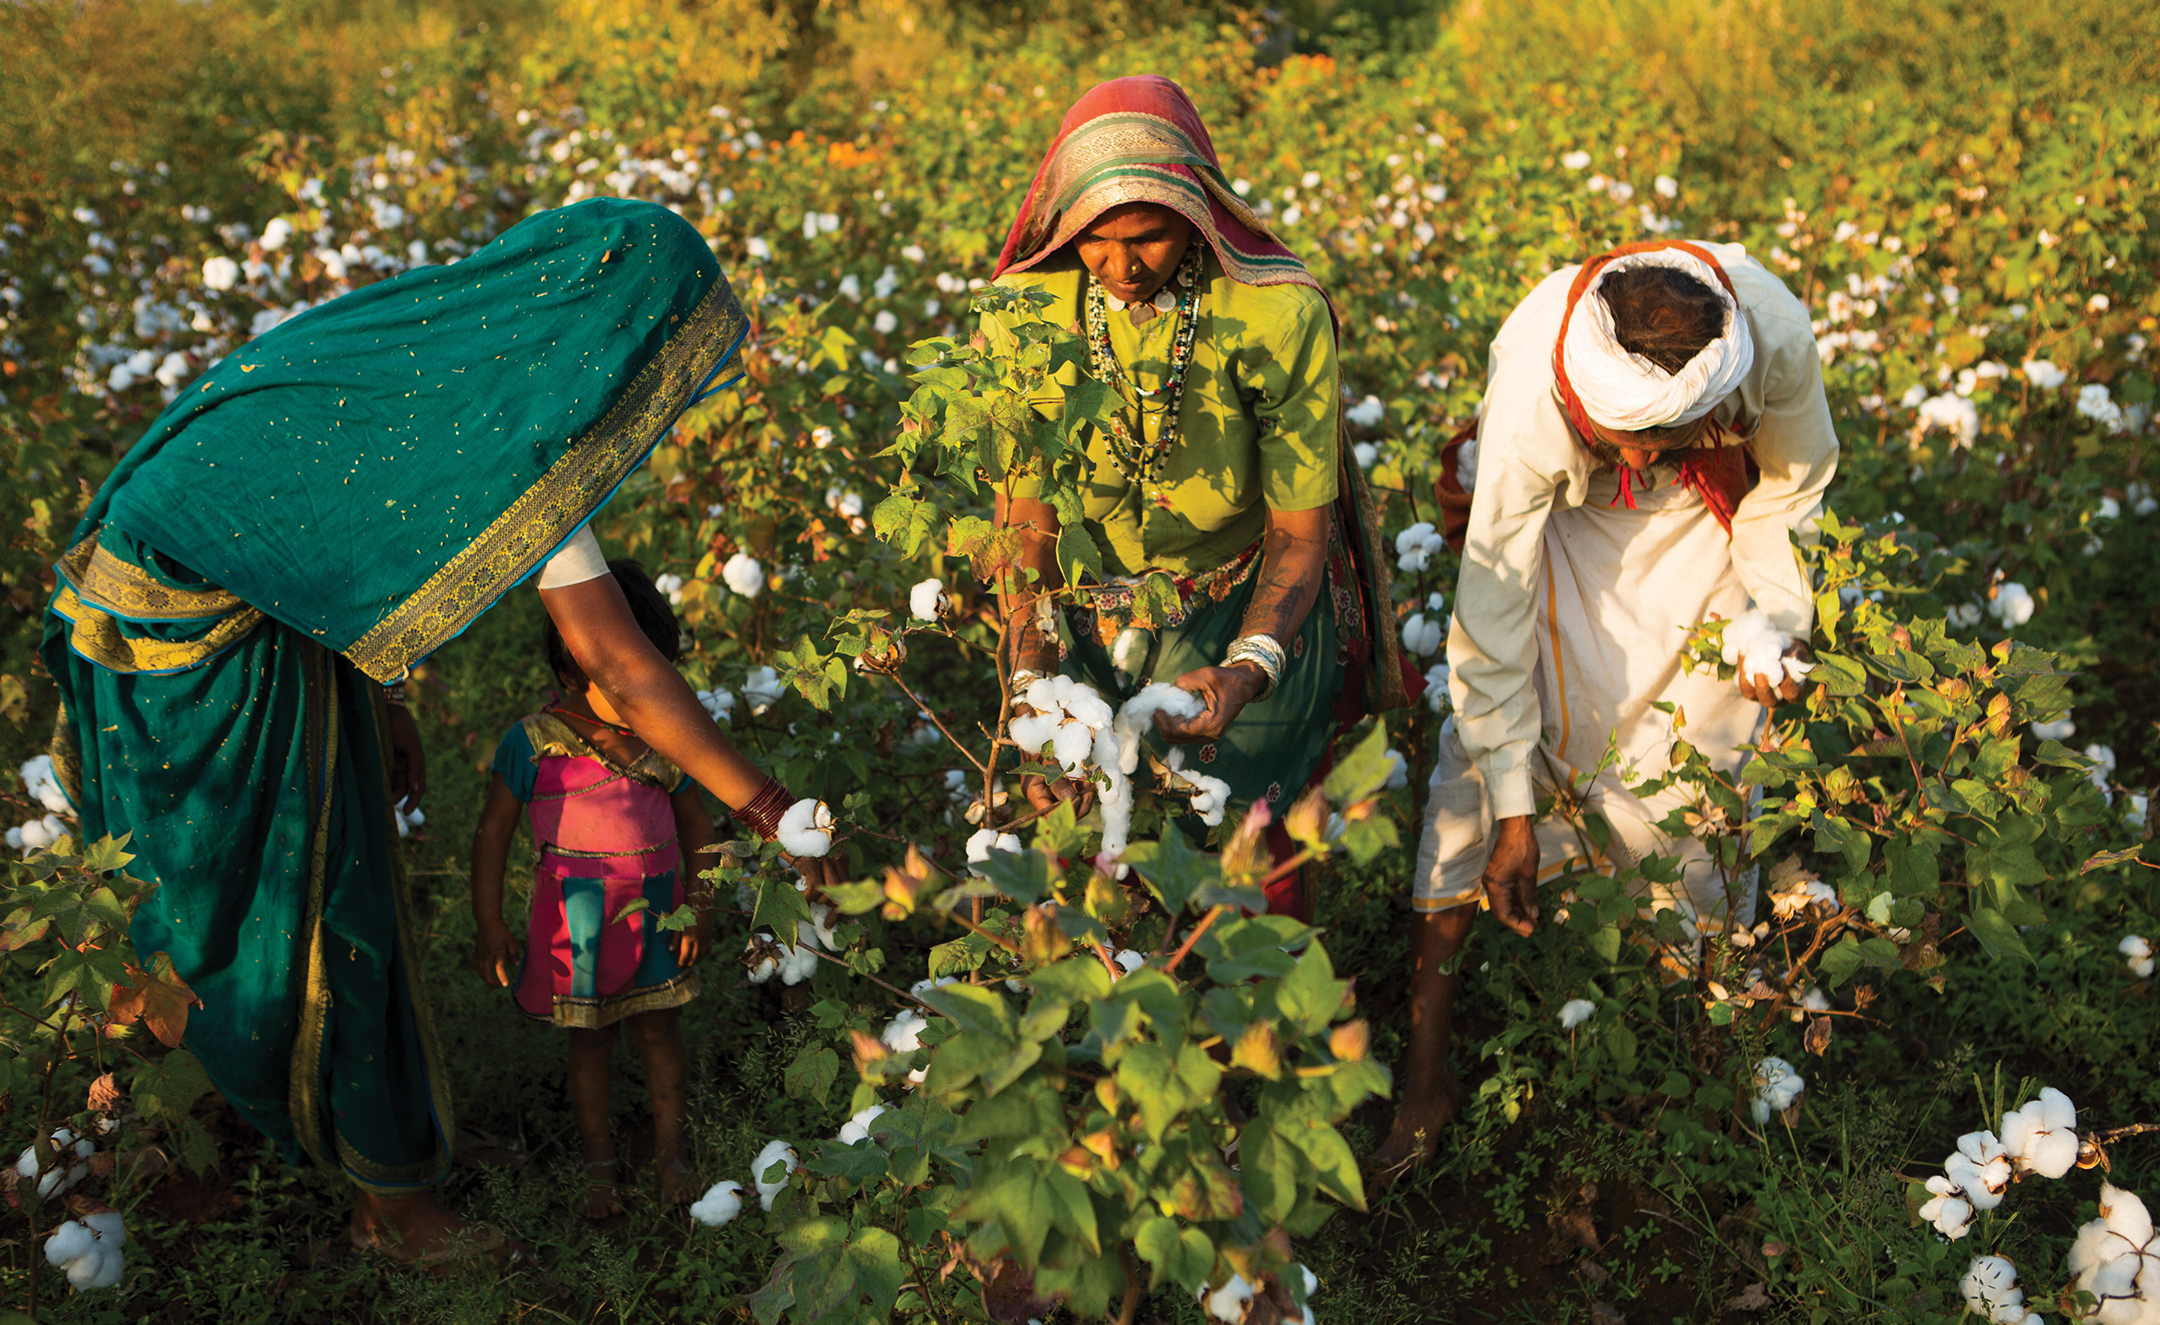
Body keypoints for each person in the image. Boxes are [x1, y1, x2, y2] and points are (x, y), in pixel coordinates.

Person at [40, 198, 840, 1266]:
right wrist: (774, 809)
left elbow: (303, 536)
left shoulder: (433, 348)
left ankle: (299, 1143)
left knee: (242, 900)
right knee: (318, 909)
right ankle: (391, 1210)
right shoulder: (511, 421)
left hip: (175, 608)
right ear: (600, 338)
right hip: (191, 656)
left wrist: (378, 696)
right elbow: (617, 661)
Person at [1376, 239, 1839, 1169]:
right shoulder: (1530, 403)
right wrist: (1515, 805)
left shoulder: (1773, 334)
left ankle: (1710, 1046)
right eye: (1618, 431)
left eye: (1656, 435)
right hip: (1563, 524)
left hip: (1704, 528)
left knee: (1703, 777)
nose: (1635, 453)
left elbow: (1788, 490)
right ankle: (1425, 1075)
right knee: (1475, 772)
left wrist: (1775, 621)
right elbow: (1493, 611)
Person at [983, 76, 1408, 911]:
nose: (1120, 267)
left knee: (1241, 874)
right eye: (1093, 243)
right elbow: (1024, 521)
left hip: (1244, 598)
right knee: (1080, 859)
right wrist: (1036, 689)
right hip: (1081, 614)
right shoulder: (1022, 313)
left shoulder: (1274, 314)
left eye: (1147, 237)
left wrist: (1249, 669)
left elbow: (1297, 530)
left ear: (1199, 214)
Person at [469, 559, 714, 1218]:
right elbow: (492, 835)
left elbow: (698, 826)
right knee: (590, 1041)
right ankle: (599, 1167)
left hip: (659, 912)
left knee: (662, 1033)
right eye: (636, 677)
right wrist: (489, 922)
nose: (653, 692)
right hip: (577, 924)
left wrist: (699, 904)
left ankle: (670, 1154)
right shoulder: (533, 744)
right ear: (578, 667)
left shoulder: (665, 740)